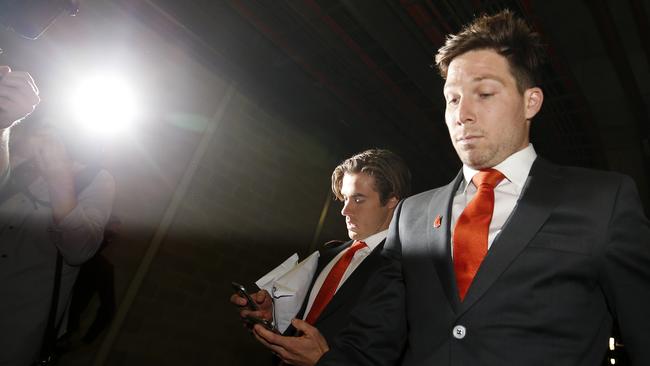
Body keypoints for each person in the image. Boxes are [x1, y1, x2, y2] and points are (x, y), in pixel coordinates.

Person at [318, 10, 650, 366]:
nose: (462, 114)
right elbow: (370, 342)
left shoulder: (603, 201)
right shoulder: (411, 216)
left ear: (530, 102)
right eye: (454, 99)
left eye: (485, 93)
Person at [230, 148, 411, 366]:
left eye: (358, 199)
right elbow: (302, 323)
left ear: (392, 200)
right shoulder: (327, 255)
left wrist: (324, 361)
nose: (345, 210)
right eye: (344, 198)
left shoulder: (406, 267)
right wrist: (273, 315)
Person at [0, 66, 116, 365]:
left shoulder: (96, 179)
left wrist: (59, 178)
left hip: (15, 334)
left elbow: (80, 250)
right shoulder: (13, 151)